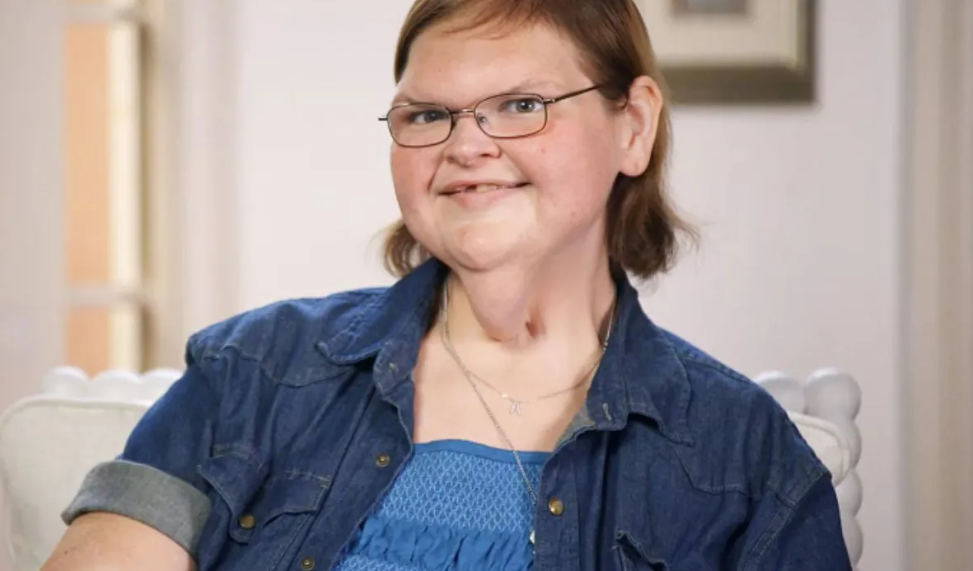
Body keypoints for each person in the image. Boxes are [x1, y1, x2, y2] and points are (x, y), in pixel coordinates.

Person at [40, 0, 852, 569]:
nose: (466, 146)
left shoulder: (744, 456)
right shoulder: (252, 369)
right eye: (427, 115)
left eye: (520, 104)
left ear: (632, 126)